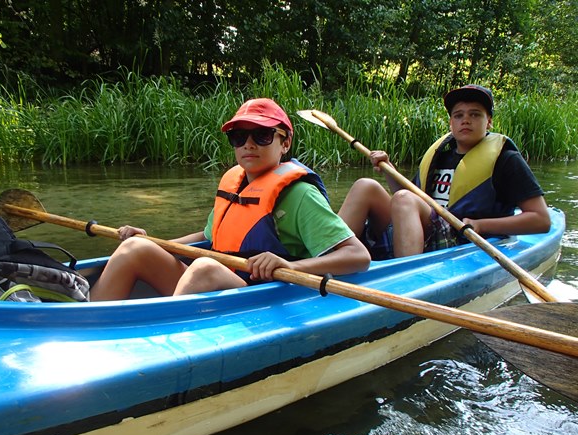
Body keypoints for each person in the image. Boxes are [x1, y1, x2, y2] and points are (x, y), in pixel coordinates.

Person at [91, 98, 370, 301]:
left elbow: (357, 255)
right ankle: (88, 325)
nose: (248, 144)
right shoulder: (235, 187)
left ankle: (167, 345)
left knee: (204, 268)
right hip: (224, 284)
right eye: (238, 136)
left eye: (262, 135)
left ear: (285, 143)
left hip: (262, 294)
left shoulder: (300, 195)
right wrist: (152, 242)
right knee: (135, 248)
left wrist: (290, 266)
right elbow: (207, 236)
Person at [338, 84, 551, 260]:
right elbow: (412, 199)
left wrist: (480, 225)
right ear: (451, 123)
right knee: (365, 186)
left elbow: (541, 220)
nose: (465, 120)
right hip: (425, 231)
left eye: (475, 114)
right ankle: (334, 256)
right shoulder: (441, 155)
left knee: (403, 198)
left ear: (489, 122)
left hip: (460, 239)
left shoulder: (506, 159)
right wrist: (389, 170)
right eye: (458, 115)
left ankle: (407, 276)